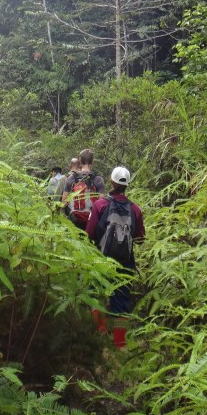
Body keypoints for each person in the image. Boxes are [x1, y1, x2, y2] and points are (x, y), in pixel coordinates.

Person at [87, 165, 145, 348]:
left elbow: (89, 234)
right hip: (125, 263)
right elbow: (141, 238)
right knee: (122, 301)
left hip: (101, 259)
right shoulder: (135, 210)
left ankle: (100, 332)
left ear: (111, 181)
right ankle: (120, 342)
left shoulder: (100, 205)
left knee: (96, 295)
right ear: (127, 185)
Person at [61, 149, 105, 229]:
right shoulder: (98, 180)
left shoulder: (71, 179)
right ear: (92, 162)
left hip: (73, 221)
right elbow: (101, 205)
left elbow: (64, 202)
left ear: (80, 162)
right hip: (91, 222)